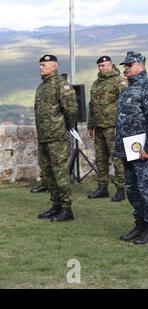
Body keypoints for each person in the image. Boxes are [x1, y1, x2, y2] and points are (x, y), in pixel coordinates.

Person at [114, 51, 148, 245]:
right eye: (125, 65)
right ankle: (139, 224)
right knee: (132, 190)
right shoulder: (128, 89)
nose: (125, 68)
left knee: (146, 189)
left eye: (129, 65)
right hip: (128, 149)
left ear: (140, 65)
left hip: (143, 151)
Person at [35, 55, 78, 222]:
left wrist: (62, 127)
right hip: (44, 137)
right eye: (40, 65)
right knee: (48, 173)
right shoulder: (42, 87)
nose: (41, 68)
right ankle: (56, 205)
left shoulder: (62, 85)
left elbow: (71, 111)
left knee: (60, 172)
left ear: (54, 66)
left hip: (57, 137)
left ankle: (67, 208)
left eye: (44, 65)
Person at [87, 56, 127, 202]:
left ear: (110, 65)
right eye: (99, 66)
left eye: (103, 65)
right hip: (99, 126)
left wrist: (121, 126)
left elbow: (125, 105)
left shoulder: (119, 81)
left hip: (113, 126)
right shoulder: (96, 83)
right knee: (100, 159)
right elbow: (92, 106)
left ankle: (121, 189)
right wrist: (91, 125)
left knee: (117, 158)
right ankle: (102, 187)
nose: (101, 68)